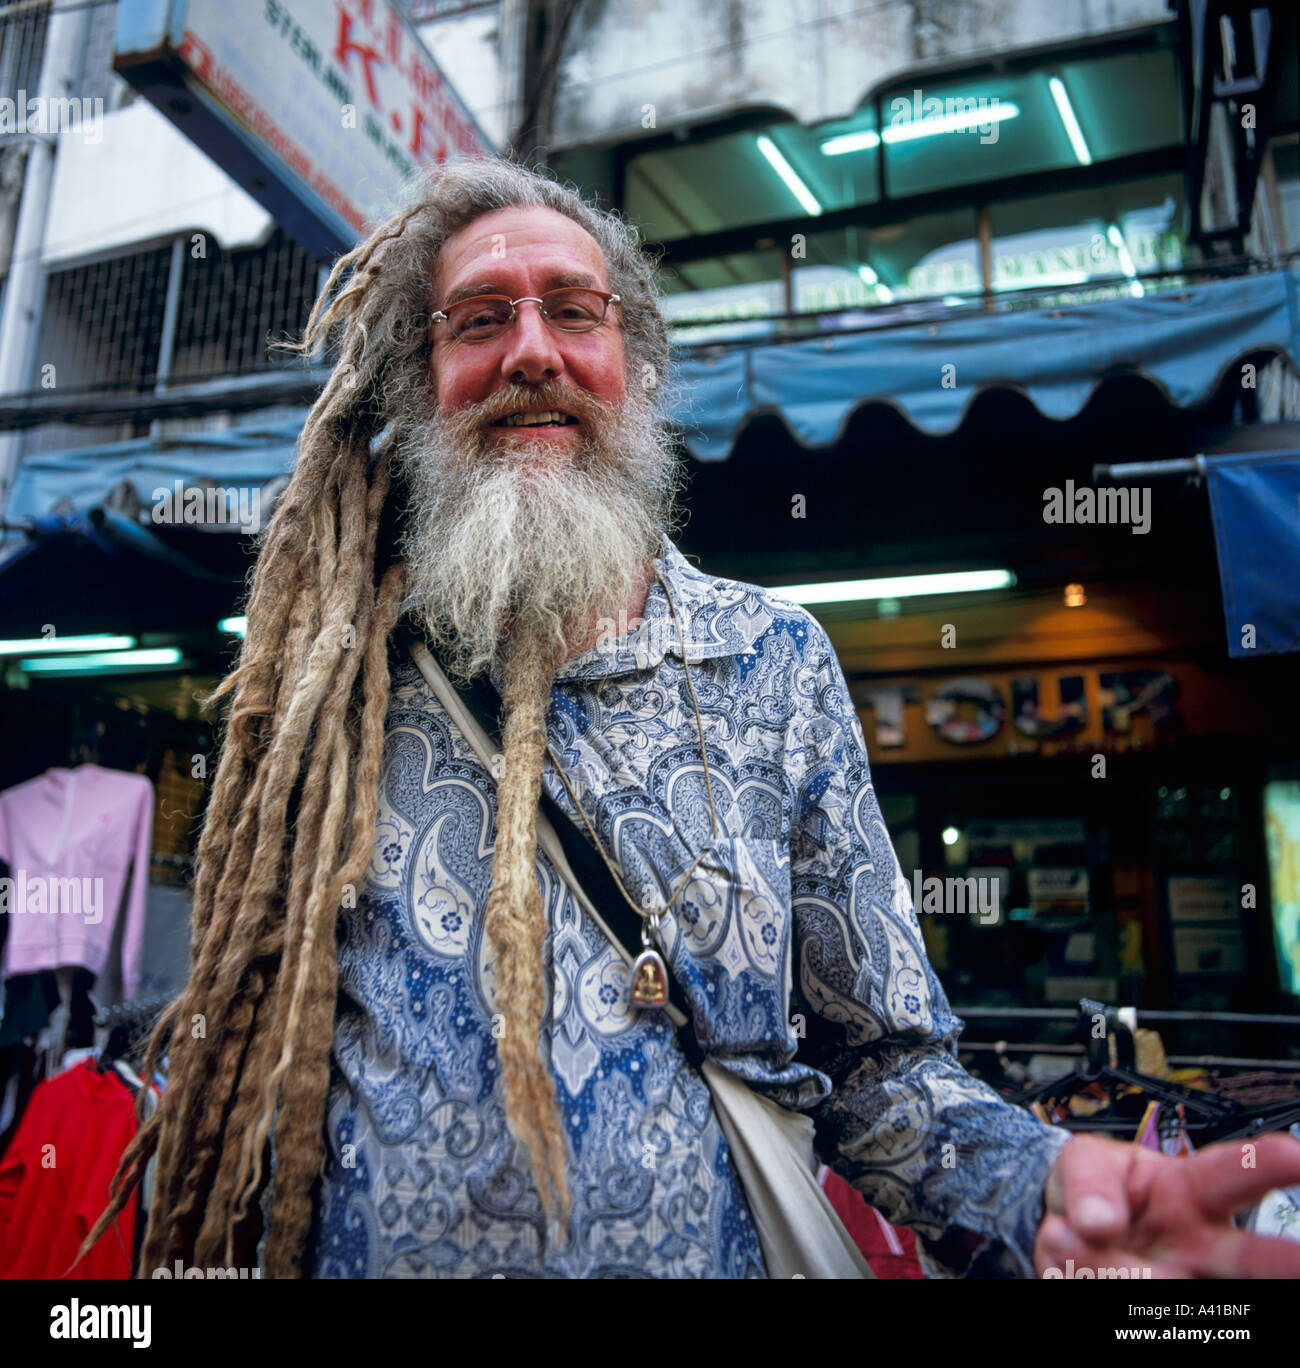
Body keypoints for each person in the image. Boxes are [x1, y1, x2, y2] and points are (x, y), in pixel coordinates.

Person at [86, 157, 1300, 1279]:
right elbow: (251, 1044)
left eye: (573, 310)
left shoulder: (773, 664)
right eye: (478, 318)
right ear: (418, 384)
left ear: (638, 366)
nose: (530, 353)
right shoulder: (332, 682)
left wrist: (1045, 1178)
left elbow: (878, 1076)